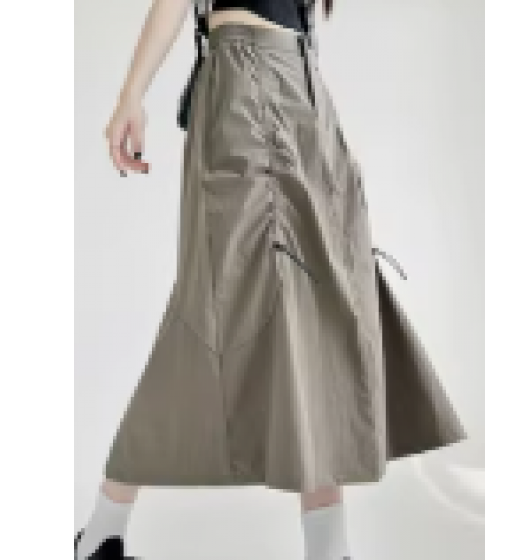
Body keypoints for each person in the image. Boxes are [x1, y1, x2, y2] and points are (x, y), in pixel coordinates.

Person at [75, 1, 467, 559]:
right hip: (246, 81)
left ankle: (327, 549)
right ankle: (102, 530)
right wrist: (130, 96)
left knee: (319, 312)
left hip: (303, 87)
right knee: (217, 312)